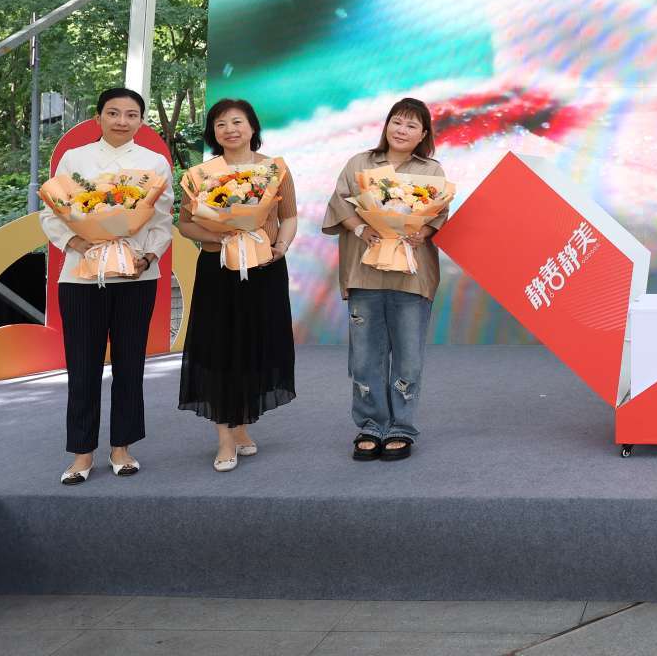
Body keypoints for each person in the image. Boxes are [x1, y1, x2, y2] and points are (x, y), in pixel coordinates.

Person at [38, 87, 173, 485]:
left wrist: (148, 256)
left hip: (135, 275)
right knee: (82, 365)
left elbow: (162, 220)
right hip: (81, 275)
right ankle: (81, 453)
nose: (121, 121)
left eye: (131, 115)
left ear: (141, 121)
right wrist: (75, 242)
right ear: (98, 117)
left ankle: (122, 448)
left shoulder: (154, 163)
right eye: (113, 113)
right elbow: (52, 213)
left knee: (130, 363)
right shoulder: (74, 158)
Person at [322, 98, 449, 462]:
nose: (402, 130)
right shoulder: (360, 163)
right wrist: (361, 228)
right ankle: (371, 425)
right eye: (397, 122)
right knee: (365, 356)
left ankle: (401, 427)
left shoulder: (431, 170)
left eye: (411, 125)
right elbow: (340, 203)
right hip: (365, 271)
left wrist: (424, 231)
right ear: (386, 125)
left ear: (423, 134)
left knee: (408, 358)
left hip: (411, 273)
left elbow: (439, 212)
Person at [176, 99, 298, 472]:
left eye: (237, 122)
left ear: (252, 127)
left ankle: (241, 425)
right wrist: (222, 232)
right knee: (219, 348)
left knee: (253, 345)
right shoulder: (200, 175)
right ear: (213, 133)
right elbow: (185, 224)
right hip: (218, 268)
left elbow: (289, 216)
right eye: (220, 124)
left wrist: (281, 246)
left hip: (264, 266)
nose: (229, 129)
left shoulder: (275, 169)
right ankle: (225, 438)